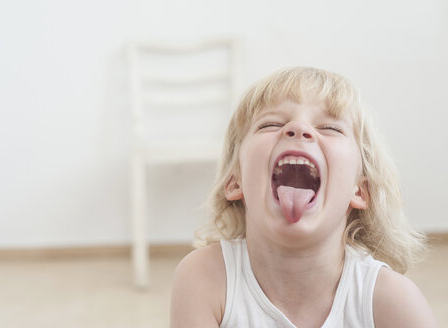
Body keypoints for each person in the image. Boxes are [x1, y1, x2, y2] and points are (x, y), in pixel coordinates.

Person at [170, 67, 439, 327]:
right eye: (271, 124)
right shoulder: (206, 279)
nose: (298, 128)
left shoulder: (391, 299)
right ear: (234, 183)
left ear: (359, 191)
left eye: (330, 128)